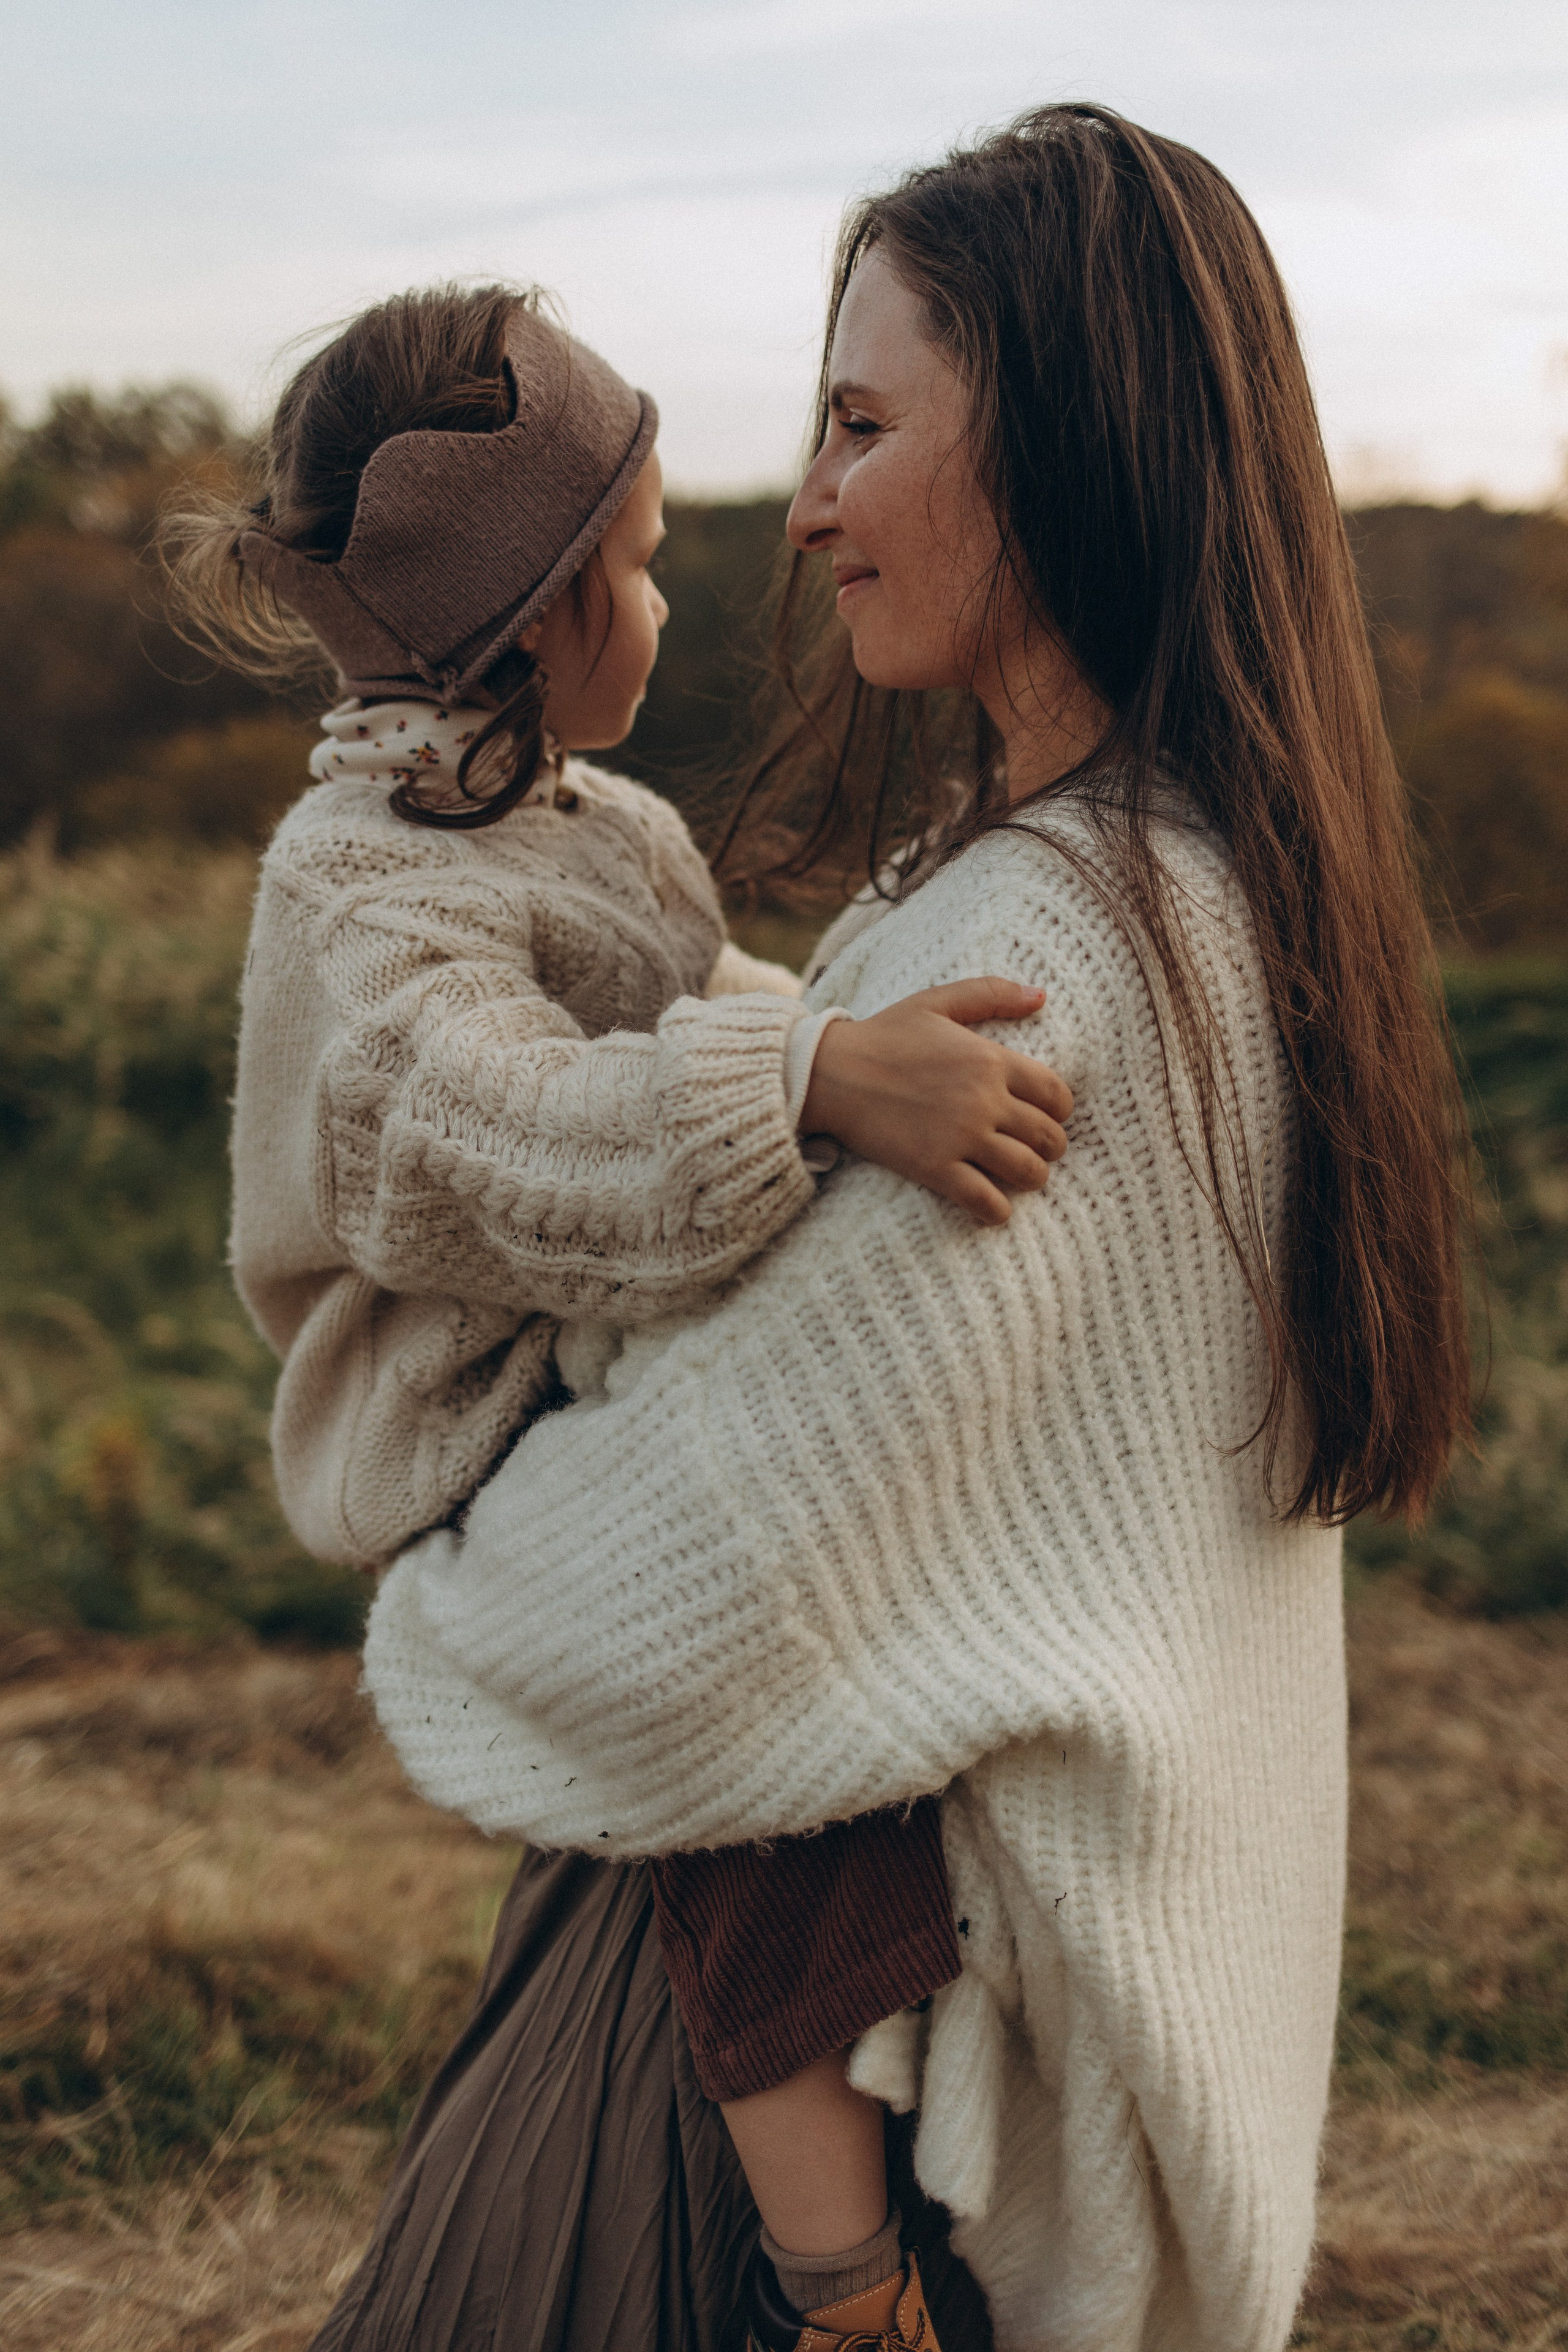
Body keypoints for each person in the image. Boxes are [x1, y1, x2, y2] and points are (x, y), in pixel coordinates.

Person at [363, 104, 1474, 2352]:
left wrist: (447, 1531)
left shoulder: (1052, 956)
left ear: (1061, 442)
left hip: (843, 2120)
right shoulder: (1178, 883)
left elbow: (690, 1589)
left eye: (868, 427)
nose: (818, 502)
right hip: (883, 2021)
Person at [165, 285, 1077, 2350]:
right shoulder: (363, 886)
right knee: (740, 1712)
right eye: (645, 564)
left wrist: (846, 1015)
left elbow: (694, 1016)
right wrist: (814, 1082)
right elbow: (493, 1139)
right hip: (474, 1427)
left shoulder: (601, 828)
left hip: (596, 1361)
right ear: (536, 612)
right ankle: (840, 2282)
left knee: (834, 1682)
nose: (669, 602)